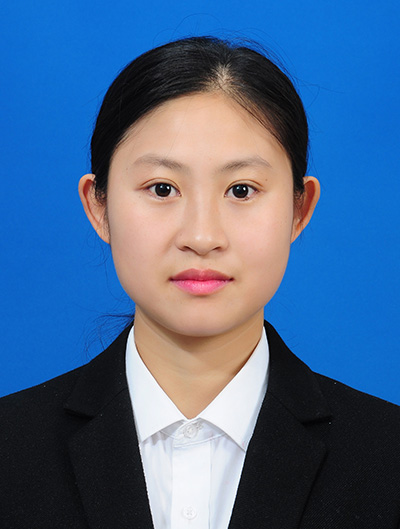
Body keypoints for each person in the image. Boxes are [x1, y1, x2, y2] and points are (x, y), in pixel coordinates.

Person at [0, 36, 399, 529]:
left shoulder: (388, 456)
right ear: (98, 206)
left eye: (241, 190)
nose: (202, 237)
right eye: (162, 188)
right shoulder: (11, 447)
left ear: (300, 209)